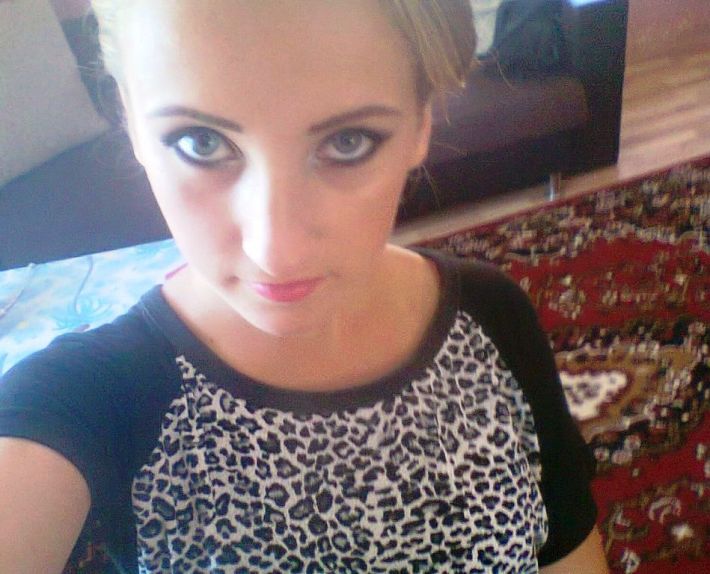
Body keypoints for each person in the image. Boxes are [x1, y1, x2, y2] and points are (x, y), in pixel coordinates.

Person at [0, 1, 609, 572]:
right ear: (131, 121)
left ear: (421, 123)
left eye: (348, 142)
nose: (276, 250)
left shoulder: (492, 317)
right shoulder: (88, 396)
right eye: (201, 142)